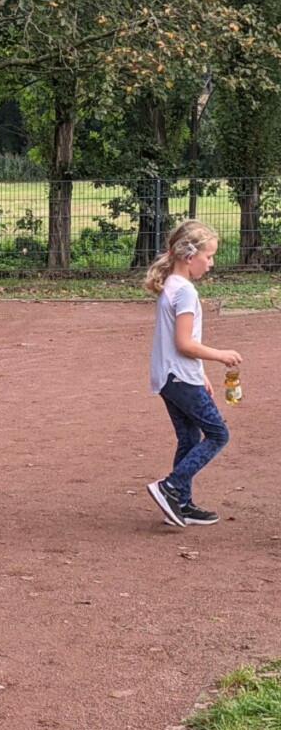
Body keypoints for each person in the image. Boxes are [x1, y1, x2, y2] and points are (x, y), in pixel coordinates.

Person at [144, 220, 242, 528]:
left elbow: (177, 345)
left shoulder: (171, 285)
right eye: (209, 256)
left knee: (188, 437)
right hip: (179, 378)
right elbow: (185, 343)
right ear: (189, 257)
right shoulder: (184, 291)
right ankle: (171, 487)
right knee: (217, 434)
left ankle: (181, 504)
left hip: (170, 378)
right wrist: (220, 356)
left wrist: (200, 374)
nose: (211, 264)